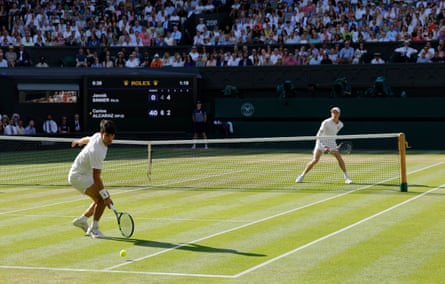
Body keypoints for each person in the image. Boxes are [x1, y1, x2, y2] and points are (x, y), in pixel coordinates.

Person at [69, 119, 116, 239]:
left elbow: (88, 139)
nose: (109, 139)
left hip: (84, 173)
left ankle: (82, 220)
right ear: (102, 134)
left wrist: (79, 141)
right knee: (101, 198)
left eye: (111, 136)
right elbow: (96, 177)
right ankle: (94, 229)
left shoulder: (96, 136)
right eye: (107, 136)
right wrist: (106, 197)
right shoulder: (97, 151)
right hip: (78, 176)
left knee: (99, 199)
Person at [296, 107, 352, 184]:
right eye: (333, 112)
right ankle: (301, 176)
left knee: (339, 158)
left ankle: (347, 178)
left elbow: (333, 134)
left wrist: (332, 147)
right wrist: (324, 146)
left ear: (339, 114)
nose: (334, 114)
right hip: (320, 141)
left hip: (331, 143)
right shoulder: (326, 122)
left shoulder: (341, 125)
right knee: (315, 160)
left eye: (336, 112)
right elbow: (318, 135)